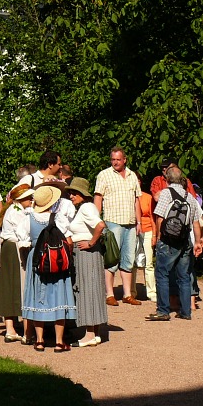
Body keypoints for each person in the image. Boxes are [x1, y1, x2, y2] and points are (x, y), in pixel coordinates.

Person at [19, 184, 77, 352]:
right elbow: (69, 240)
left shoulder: (27, 219)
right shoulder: (58, 218)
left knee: (38, 296)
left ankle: (39, 340)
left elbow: (22, 240)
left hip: (37, 258)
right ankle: (59, 341)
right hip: (56, 259)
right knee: (59, 296)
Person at [147, 166, 203, 321]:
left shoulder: (166, 193)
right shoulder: (190, 197)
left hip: (168, 240)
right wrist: (197, 241)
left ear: (167, 179)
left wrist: (159, 237)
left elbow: (159, 217)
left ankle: (163, 311)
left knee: (162, 273)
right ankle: (186, 312)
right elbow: (196, 223)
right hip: (185, 240)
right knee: (184, 276)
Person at [93, 146, 142, 306]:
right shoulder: (104, 175)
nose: (115, 162)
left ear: (124, 159)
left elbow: (137, 200)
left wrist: (139, 222)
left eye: (118, 159)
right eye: (113, 159)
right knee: (111, 258)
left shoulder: (132, 175)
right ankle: (110, 294)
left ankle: (127, 294)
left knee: (128, 259)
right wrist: (96, 220)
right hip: (112, 221)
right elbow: (98, 198)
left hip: (130, 223)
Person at [66, 178, 107, 346]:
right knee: (93, 288)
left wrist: (91, 243)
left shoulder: (85, 208)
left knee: (86, 289)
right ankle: (94, 333)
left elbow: (100, 225)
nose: (71, 196)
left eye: (74, 193)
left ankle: (89, 335)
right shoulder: (87, 208)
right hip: (89, 253)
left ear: (82, 194)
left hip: (86, 253)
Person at [0, 181, 35, 343]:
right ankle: (26, 332)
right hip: (15, 249)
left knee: (9, 286)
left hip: (9, 248)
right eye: (29, 197)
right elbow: (23, 234)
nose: (31, 200)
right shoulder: (17, 212)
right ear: (21, 199)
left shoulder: (13, 210)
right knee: (19, 287)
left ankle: (10, 329)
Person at [136, 183, 157, 302]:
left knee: (148, 263)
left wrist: (154, 235)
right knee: (131, 264)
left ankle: (151, 292)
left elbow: (152, 217)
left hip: (148, 231)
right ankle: (131, 292)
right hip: (132, 232)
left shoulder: (147, 197)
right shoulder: (128, 196)